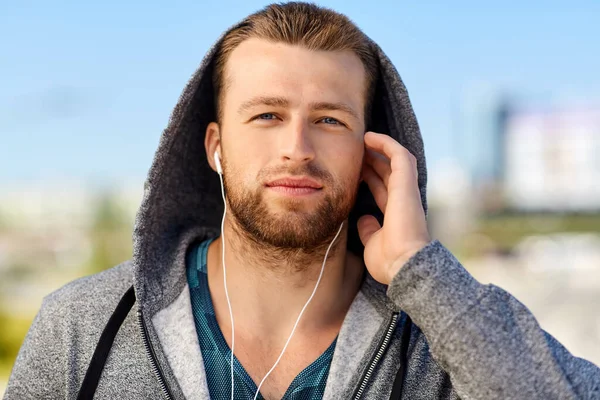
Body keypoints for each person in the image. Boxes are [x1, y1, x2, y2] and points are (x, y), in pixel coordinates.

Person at [5, 2, 600, 399]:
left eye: (329, 120)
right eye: (266, 115)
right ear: (215, 146)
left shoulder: (445, 336)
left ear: (373, 150)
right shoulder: (83, 328)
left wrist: (421, 274)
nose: (297, 147)